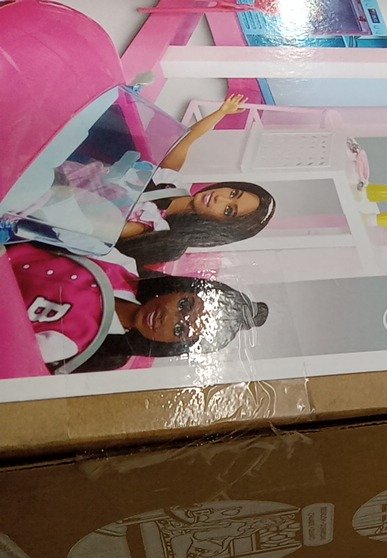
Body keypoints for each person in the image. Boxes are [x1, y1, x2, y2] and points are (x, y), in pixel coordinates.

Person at [9, 243, 268, 373]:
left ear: (172, 344)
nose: (167, 318)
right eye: (184, 305)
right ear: (179, 288)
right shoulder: (119, 266)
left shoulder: (85, 347)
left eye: (180, 329)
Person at [114, 94, 276, 266]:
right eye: (233, 193)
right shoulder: (172, 183)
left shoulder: (159, 229)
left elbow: (106, 228)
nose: (220, 198)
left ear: (221, 226)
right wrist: (222, 112)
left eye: (228, 210)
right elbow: (187, 140)